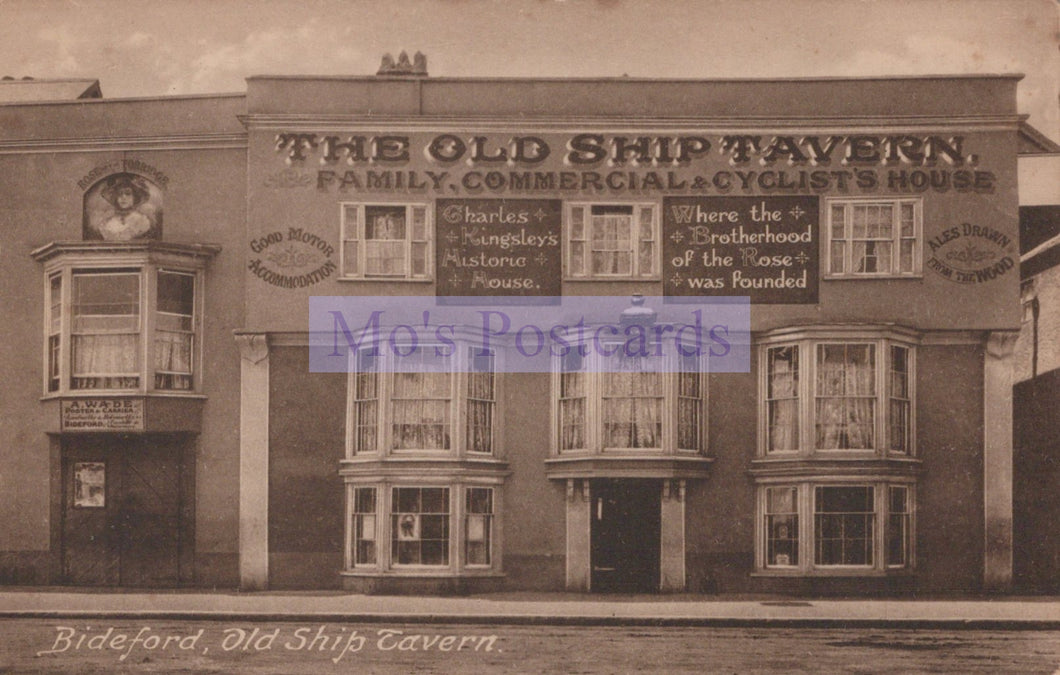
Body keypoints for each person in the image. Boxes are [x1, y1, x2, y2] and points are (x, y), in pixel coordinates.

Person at [97, 174, 154, 240]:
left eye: (128, 194)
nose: (123, 197)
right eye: (120, 194)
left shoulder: (142, 221)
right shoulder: (106, 224)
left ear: (135, 198)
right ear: (116, 198)